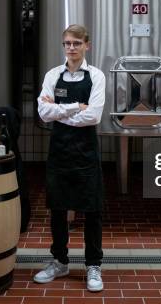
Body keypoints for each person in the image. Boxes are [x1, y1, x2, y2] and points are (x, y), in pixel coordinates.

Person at [33, 24, 106, 292]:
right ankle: (60, 261)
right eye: (67, 43)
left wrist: (59, 112)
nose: (71, 48)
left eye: (76, 43)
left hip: (86, 152)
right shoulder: (53, 75)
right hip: (59, 152)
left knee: (92, 210)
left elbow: (94, 116)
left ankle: (93, 265)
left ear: (87, 45)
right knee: (58, 209)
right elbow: (43, 113)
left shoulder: (96, 76)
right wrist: (75, 107)